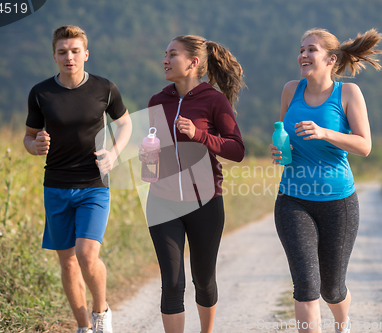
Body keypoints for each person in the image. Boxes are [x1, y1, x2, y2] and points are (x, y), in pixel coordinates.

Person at [269, 28, 382, 333]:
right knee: (307, 284)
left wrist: (325, 132)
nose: (303, 55)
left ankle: (342, 322)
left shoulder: (347, 93)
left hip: (338, 203)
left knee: (331, 289)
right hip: (292, 199)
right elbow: (283, 135)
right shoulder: (290, 90)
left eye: (311, 50)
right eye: (301, 49)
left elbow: (364, 145)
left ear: (331, 59)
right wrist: (280, 151)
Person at [23, 25, 132, 333]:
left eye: (74, 51)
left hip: (94, 185)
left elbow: (125, 124)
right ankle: (83, 327)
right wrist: (35, 146)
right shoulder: (41, 93)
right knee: (68, 263)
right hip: (56, 186)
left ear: (86, 53)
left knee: (86, 255)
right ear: (54, 56)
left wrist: (113, 154)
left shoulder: (105, 88)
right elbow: (28, 139)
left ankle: (102, 312)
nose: (69, 57)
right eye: (62, 52)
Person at [144, 35, 245, 333]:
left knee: (203, 279)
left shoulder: (214, 100)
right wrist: (147, 157)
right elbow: (151, 165)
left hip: (205, 202)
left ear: (193, 63)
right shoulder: (157, 101)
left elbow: (236, 150)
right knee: (172, 282)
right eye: (165, 54)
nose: (165, 59)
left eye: (172, 54)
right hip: (162, 201)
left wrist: (200, 135)